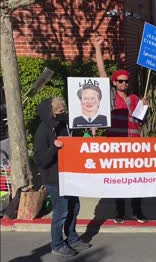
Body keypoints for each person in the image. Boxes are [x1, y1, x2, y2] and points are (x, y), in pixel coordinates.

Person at [92, 36, 148, 223]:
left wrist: (144, 107)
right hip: (116, 144)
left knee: (136, 180)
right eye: (120, 81)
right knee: (119, 179)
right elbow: (102, 74)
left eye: (126, 81)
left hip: (134, 145)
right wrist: (97, 47)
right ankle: (119, 212)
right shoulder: (108, 97)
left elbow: (140, 121)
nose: (123, 84)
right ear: (115, 83)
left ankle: (137, 211)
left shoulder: (134, 98)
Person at [33, 97, 92, 257]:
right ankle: (57, 244)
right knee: (61, 212)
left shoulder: (64, 125)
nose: (62, 114)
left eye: (63, 111)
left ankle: (72, 238)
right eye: (59, 112)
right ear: (50, 113)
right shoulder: (43, 131)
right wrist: (54, 148)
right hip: (54, 179)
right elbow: (40, 160)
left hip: (70, 176)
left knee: (75, 208)